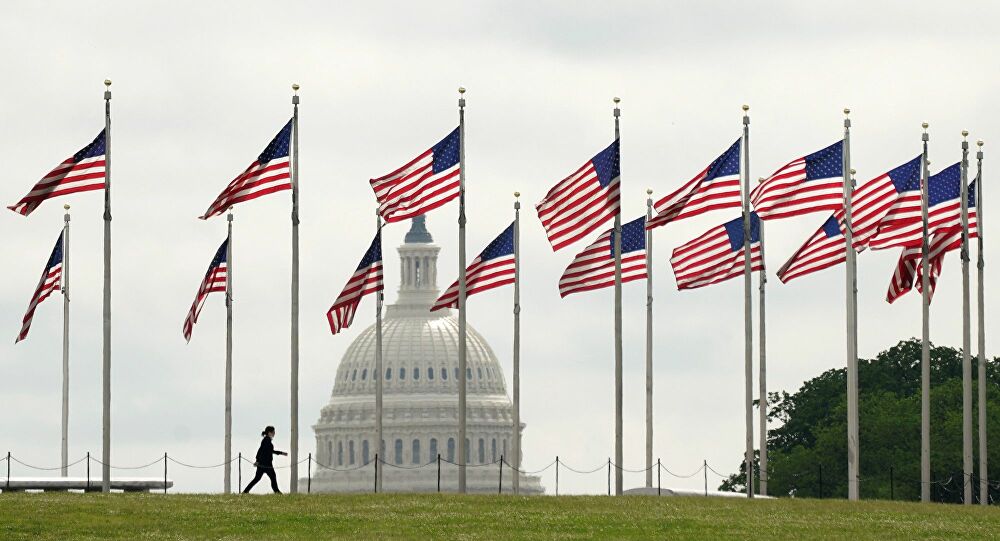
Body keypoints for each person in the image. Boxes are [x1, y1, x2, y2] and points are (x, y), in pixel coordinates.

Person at [242, 425, 287, 494]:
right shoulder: (267, 440)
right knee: (272, 478)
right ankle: (277, 492)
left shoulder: (266, 440)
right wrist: (258, 461)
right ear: (269, 432)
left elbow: (262, 451)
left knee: (257, 479)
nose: (274, 433)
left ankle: (245, 492)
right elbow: (262, 452)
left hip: (262, 464)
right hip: (266, 464)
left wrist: (281, 453)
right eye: (273, 432)